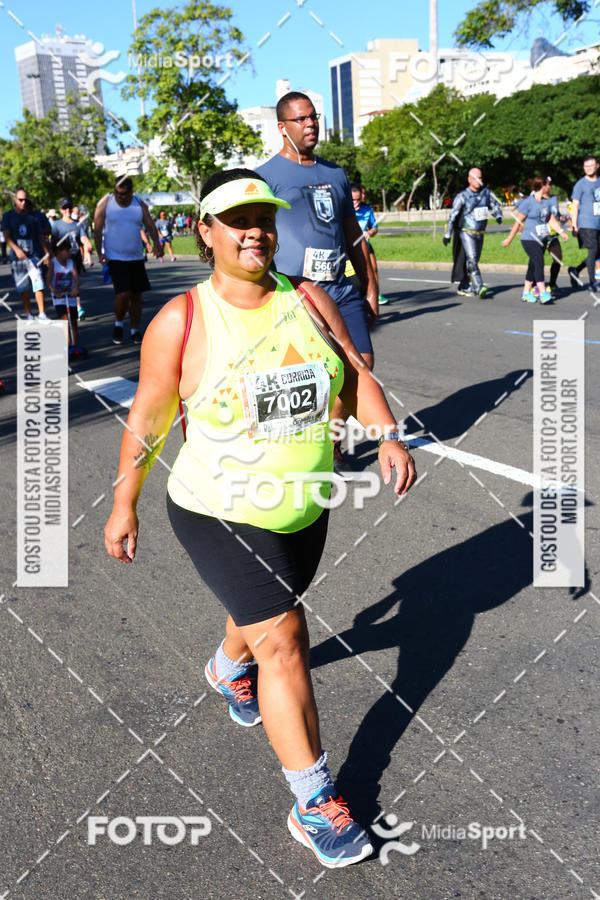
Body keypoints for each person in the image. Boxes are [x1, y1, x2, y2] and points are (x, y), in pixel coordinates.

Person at [104, 168, 416, 868]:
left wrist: (387, 431)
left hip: (304, 505)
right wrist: (124, 502)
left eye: (264, 218)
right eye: (237, 219)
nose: (255, 230)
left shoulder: (306, 298)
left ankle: (224, 666)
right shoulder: (181, 321)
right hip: (216, 508)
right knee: (283, 636)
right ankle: (315, 802)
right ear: (204, 231)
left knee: (264, 616)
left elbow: (354, 375)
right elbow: (149, 420)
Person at [256, 91, 378, 469]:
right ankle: (288, 452)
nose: (311, 124)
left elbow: (353, 234)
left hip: (341, 288)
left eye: (314, 117)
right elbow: (256, 238)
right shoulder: (265, 177)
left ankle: (331, 439)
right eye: (301, 119)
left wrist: (371, 287)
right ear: (282, 127)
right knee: (301, 377)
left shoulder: (334, 173)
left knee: (361, 363)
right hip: (293, 294)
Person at [93, 176, 163, 345]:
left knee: (137, 296)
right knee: (123, 294)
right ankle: (118, 323)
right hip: (115, 256)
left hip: (136, 257)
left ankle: (134, 329)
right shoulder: (106, 203)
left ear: (131, 192)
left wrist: (157, 245)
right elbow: (97, 228)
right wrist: (99, 253)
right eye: (117, 193)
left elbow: (150, 226)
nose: (120, 196)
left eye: (124, 194)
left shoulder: (138, 204)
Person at [502, 176, 568, 302]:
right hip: (529, 239)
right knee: (539, 262)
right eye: (547, 184)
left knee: (533, 266)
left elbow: (551, 219)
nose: (549, 187)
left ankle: (526, 292)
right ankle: (543, 293)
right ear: (542, 186)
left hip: (541, 239)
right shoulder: (528, 202)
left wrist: (561, 231)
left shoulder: (546, 202)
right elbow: (517, 221)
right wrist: (509, 239)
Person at [443, 167, 502, 298]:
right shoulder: (462, 196)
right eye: (475, 178)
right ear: (469, 179)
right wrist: (447, 234)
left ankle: (465, 285)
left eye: (480, 178)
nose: (478, 180)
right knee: (472, 259)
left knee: (473, 260)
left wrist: (498, 215)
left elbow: (494, 205)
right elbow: (452, 216)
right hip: (466, 232)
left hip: (480, 233)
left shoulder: (486, 193)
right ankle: (479, 286)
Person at [1, 188, 48, 320]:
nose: (23, 202)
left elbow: (40, 235)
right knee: (24, 287)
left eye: (25, 200)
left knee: (38, 283)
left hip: (33, 256)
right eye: (20, 200)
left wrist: (46, 253)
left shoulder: (33, 216)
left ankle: (42, 313)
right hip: (17, 258)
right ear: (15, 200)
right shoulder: (8, 216)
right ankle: (29, 314)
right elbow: (6, 236)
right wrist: (16, 249)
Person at [52, 198, 93, 321]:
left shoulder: (77, 224)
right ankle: (68, 308)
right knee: (66, 284)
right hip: (62, 261)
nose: (67, 210)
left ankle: (76, 308)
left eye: (69, 207)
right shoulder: (57, 225)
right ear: (61, 210)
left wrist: (88, 244)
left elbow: (83, 237)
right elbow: (53, 244)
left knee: (75, 283)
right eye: (64, 208)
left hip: (74, 259)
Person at [45, 236, 86, 358]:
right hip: (59, 298)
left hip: (71, 295)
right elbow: (48, 281)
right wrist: (55, 291)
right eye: (66, 250)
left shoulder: (71, 262)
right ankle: (67, 344)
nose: (68, 253)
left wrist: (75, 288)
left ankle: (75, 344)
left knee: (73, 319)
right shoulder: (53, 263)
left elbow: (76, 277)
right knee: (64, 319)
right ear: (58, 251)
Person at [349, 183, 389, 305]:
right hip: (349, 248)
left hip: (364, 244)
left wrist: (369, 233)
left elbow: (375, 227)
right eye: (353, 200)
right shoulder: (344, 211)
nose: (356, 203)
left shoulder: (367, 210)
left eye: (358, 200)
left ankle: (376, 295)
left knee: (373, 269)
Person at [568, 155, 600, 292]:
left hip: (598, 222)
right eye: (586, 166)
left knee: (597, 252)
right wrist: (574, 225)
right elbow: (575, 205)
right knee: (593, 250)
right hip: (586, 223)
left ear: (597, 166)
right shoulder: (580, 184)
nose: (588, 168)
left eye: (591, 165)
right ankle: (592, 282)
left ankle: (575, 270)